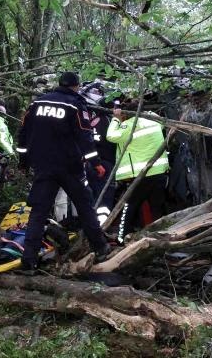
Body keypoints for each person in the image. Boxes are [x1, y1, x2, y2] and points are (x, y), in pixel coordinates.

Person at [16, 72, 111, 274]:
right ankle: (101, 248)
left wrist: (23, 161)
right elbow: (85, 137)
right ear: (76, 86)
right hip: (69, 166)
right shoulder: (75, 105)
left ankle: (28, 261)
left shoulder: (36, 104)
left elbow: (22, 135)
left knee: (38, 213)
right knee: (85, 207)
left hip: (43, 167)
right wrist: (95, 163)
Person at [106, 103, 169, 245]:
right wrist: (149, 112)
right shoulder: (154, 122)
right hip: (159, 172)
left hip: (140, 175)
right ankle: (159, 236)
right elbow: (163, 121)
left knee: (129, 206)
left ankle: (122, 239)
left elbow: (111, 136)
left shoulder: (129, 125)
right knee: (156, 207)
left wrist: (115, 119)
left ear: (125, 114)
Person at [80, 82, 116, 226]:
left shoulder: (82, 119)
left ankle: (93, 227)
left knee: (92, 197)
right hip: (102, 164)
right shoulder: (107, 120)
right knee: (104, 199)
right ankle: (102, 227)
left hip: (87, 163)